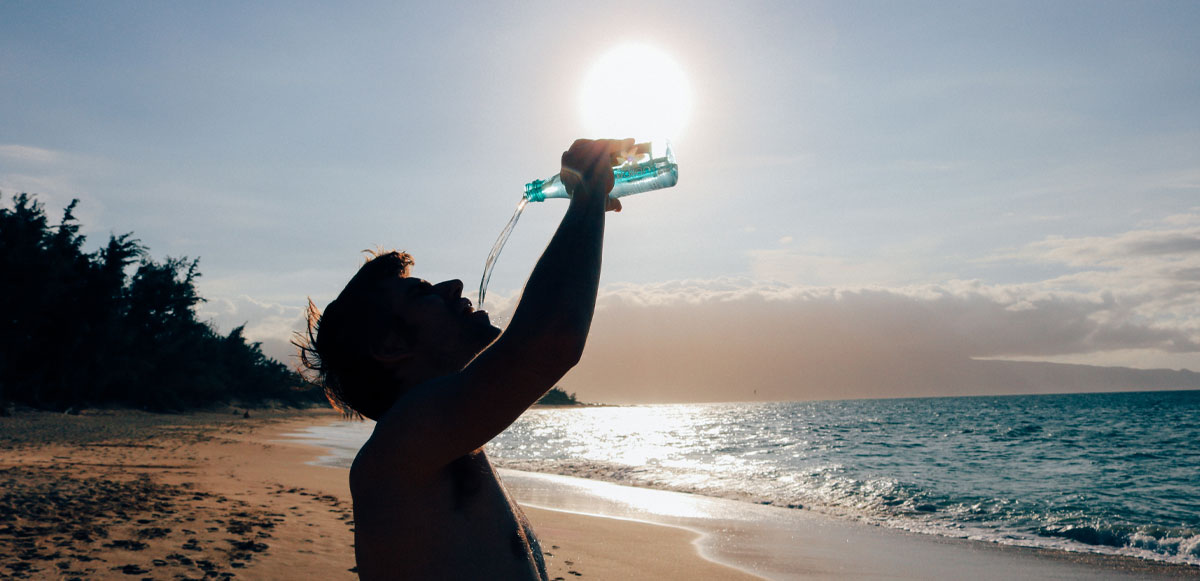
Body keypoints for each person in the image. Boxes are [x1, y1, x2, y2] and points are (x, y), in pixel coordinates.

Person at [298, 138, 632, 580]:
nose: (454, 285)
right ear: (392, 347)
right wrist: (587, 197)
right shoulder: (400, 448)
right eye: (422, 292)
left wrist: (587, 205)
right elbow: (549, 344)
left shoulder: (442, 447)